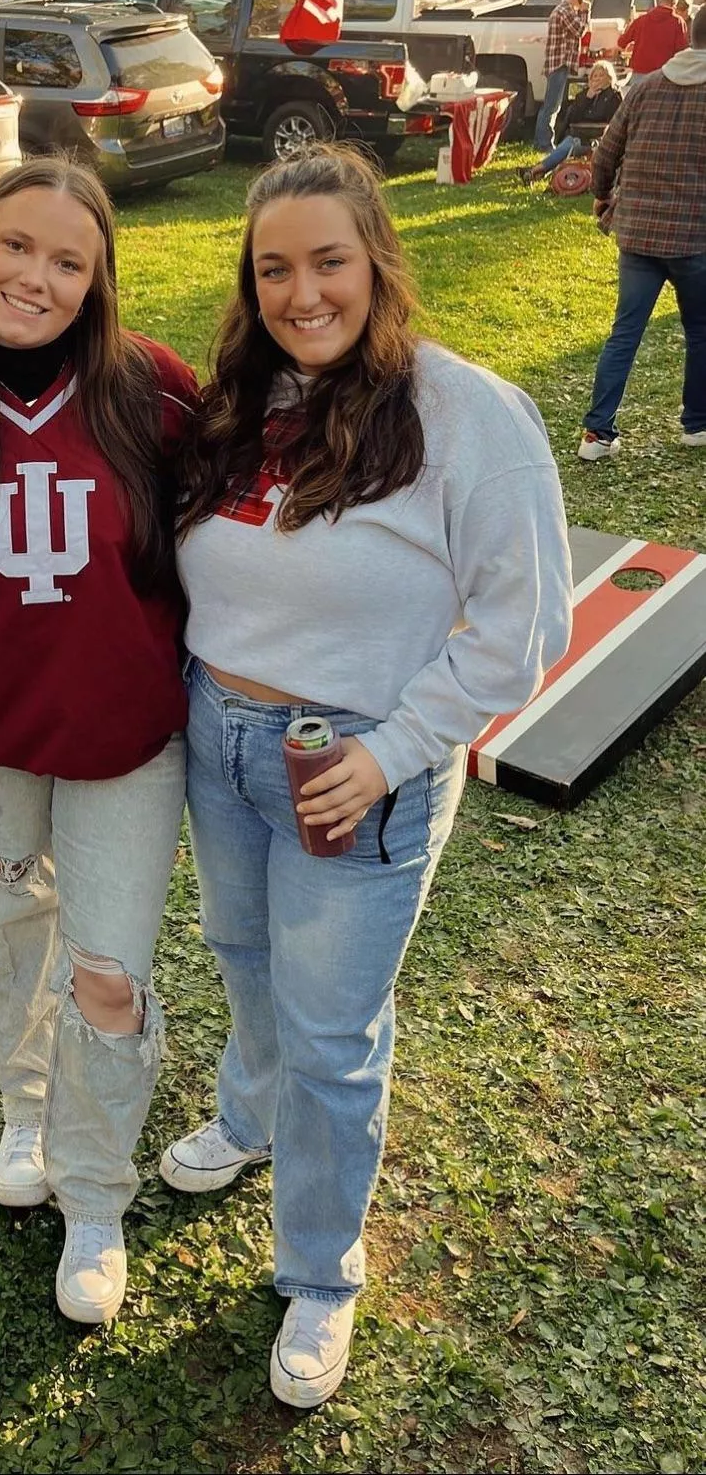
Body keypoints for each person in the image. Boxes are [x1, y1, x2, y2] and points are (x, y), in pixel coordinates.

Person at [168, 145, 572, 1409]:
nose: (302, 292)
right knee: (242, 953)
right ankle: (249, 1116)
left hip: (356, 766)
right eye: (275, 266)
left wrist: (391, 751)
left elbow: (525, 630)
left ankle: (321, 1273)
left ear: (377, 261)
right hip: (217, 735)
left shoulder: (468, 415)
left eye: (327, 261)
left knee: (335, 1031)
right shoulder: (245, 403)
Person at [0, 158, 197, 1325]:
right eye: (16, 245)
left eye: (70, 259)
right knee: (9, 929)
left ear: (99, 275)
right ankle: (27, 1108)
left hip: (125, 740)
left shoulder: (153, 393)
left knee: (107, 971)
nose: (37, 276)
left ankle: (96, 1191)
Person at [579, 4, 706, 460]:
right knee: (701, 330)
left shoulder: (647, 85)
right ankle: (697, 423)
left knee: (624, 332)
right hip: (695, 236)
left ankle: (597, 434)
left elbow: (608, 149)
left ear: (689, 35)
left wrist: (600, 194)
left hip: (638, 231)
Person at [519, 59, 620, 184]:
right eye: (595, 75)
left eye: (601, 75)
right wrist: (588, 98)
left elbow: (614, 122)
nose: (597, 79)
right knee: (570, 142)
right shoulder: (583, 95)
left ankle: (536, 170)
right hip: (579, 135)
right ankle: (538, 171)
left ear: (609, 78)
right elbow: (573, 118)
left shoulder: (614, 96)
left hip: (599, 139)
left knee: (571, 144)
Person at [537, 0, 592, 151]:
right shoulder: (565, 11)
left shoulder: (563, 9)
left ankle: (543, 141)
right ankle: (543, 143)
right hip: (559, 62)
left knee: (552, 105)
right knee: (552, 106)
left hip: (558, 62)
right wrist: (585, 12)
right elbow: (580, 30)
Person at [619, 0, 689, 93]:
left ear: (660, 2)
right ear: (674, 5)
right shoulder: (678, 22)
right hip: (666, 73)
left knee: (637, 104)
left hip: (640, 71)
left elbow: (621, 42)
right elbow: (682, 51)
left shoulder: (641, 20)